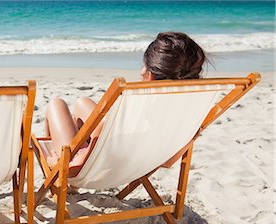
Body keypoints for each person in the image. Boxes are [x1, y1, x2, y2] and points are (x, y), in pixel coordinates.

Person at [44, 32, 206, 167]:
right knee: (82, 103)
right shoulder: (188, 116)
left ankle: (55, 176)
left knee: (55, 104)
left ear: (149, 75)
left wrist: (57, 165)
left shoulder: (136, 106)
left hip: (94, 167)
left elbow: (80, 163)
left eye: (145, 65)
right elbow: (167, 163)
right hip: (134, 167)